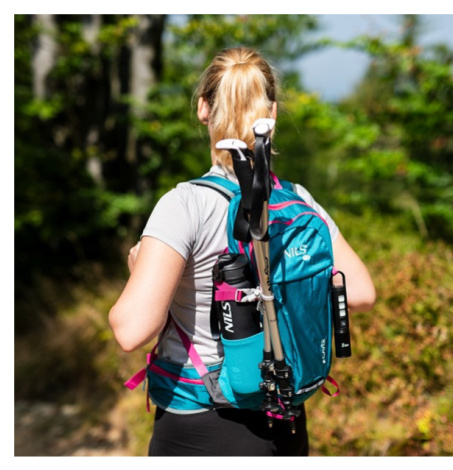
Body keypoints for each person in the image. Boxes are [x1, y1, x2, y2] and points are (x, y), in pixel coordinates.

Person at [109, 46, 376, 456]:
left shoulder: (185, 204)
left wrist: (138, 270)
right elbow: (360, 293)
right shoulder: (297, 199)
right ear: (272, 113)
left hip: (199, 425)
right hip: (286, 415)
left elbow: (131, 331)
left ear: (203, 109)